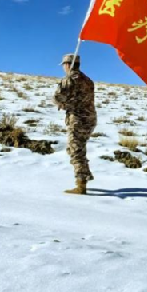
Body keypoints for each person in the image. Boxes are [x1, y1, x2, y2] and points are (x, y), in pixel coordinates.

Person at [54, 54, 97, 195]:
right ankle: (84, 175)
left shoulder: (69, 79)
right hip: (90, 118)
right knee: (77, 148)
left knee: (75, 151)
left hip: (77, 119)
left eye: (64, 65)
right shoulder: (88, 80)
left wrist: (62, 104)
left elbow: (57, 97)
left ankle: (81, 184)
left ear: (68, 64)